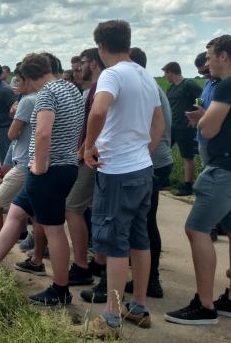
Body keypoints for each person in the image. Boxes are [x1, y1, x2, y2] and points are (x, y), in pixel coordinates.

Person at [166, 35, 231, 325]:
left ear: (224, 56)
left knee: (196, 229)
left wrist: (203, 118)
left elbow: (207, 130)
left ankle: (205, 306)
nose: (206, 64)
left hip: (225, 168)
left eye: (209, 57)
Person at [76, 21, 164, 339]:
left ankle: (111, 319)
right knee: (139, 240)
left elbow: (98, 112)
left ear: (101, 47)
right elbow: (159, 121)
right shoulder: (144, 74)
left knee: (114, 242)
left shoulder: (112, 75)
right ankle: (138, 307)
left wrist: (88, 148)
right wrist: (145, 150)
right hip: (141, 168)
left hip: (116, 171)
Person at [0, 53, 84, 306]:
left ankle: (60, 290)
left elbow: (42, 132)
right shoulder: (70, 89)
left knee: (54, 229)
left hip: (49, 170)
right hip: (65, 165)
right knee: (16, 213)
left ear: (27, 77)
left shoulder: (47, 93)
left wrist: (39, 167)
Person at [125, 47, 173, 301]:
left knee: (144, 222)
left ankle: (151, 279)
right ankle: (148, 276)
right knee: (144, 220)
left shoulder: (145, 88)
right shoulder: (153, 87)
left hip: (150, 163)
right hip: (157, 160)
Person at [0, 65, 36, 250]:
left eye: (19, 80)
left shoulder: (27, 101)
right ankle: (36, 254)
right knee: (33, 212)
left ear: (27, 81)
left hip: (23, 163)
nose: (15, 84)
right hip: (32, 162)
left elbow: (12, 134)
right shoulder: (38, 97)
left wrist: (15, 115)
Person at [67, 48, 104, 291]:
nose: (80, 67)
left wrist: (83, 150)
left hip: (93, 158)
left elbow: (100, 120)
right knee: (95, 210)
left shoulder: (100, 89)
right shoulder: (93, 89)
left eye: (84, 62)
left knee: (72, 207)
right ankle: (97, 262)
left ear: (94, 63)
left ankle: (81, 266)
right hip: (93, 156)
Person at [162, 61, 202, 196]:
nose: (164, 76)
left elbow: (201, 99)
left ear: (170, 72)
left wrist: (196, 117)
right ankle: (163, 180)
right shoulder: (171, 88)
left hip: (185, 127)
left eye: (165, 73)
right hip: (171, 127)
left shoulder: (188, 84)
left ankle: (187, 186)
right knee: (164, 153)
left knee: (187, 156)